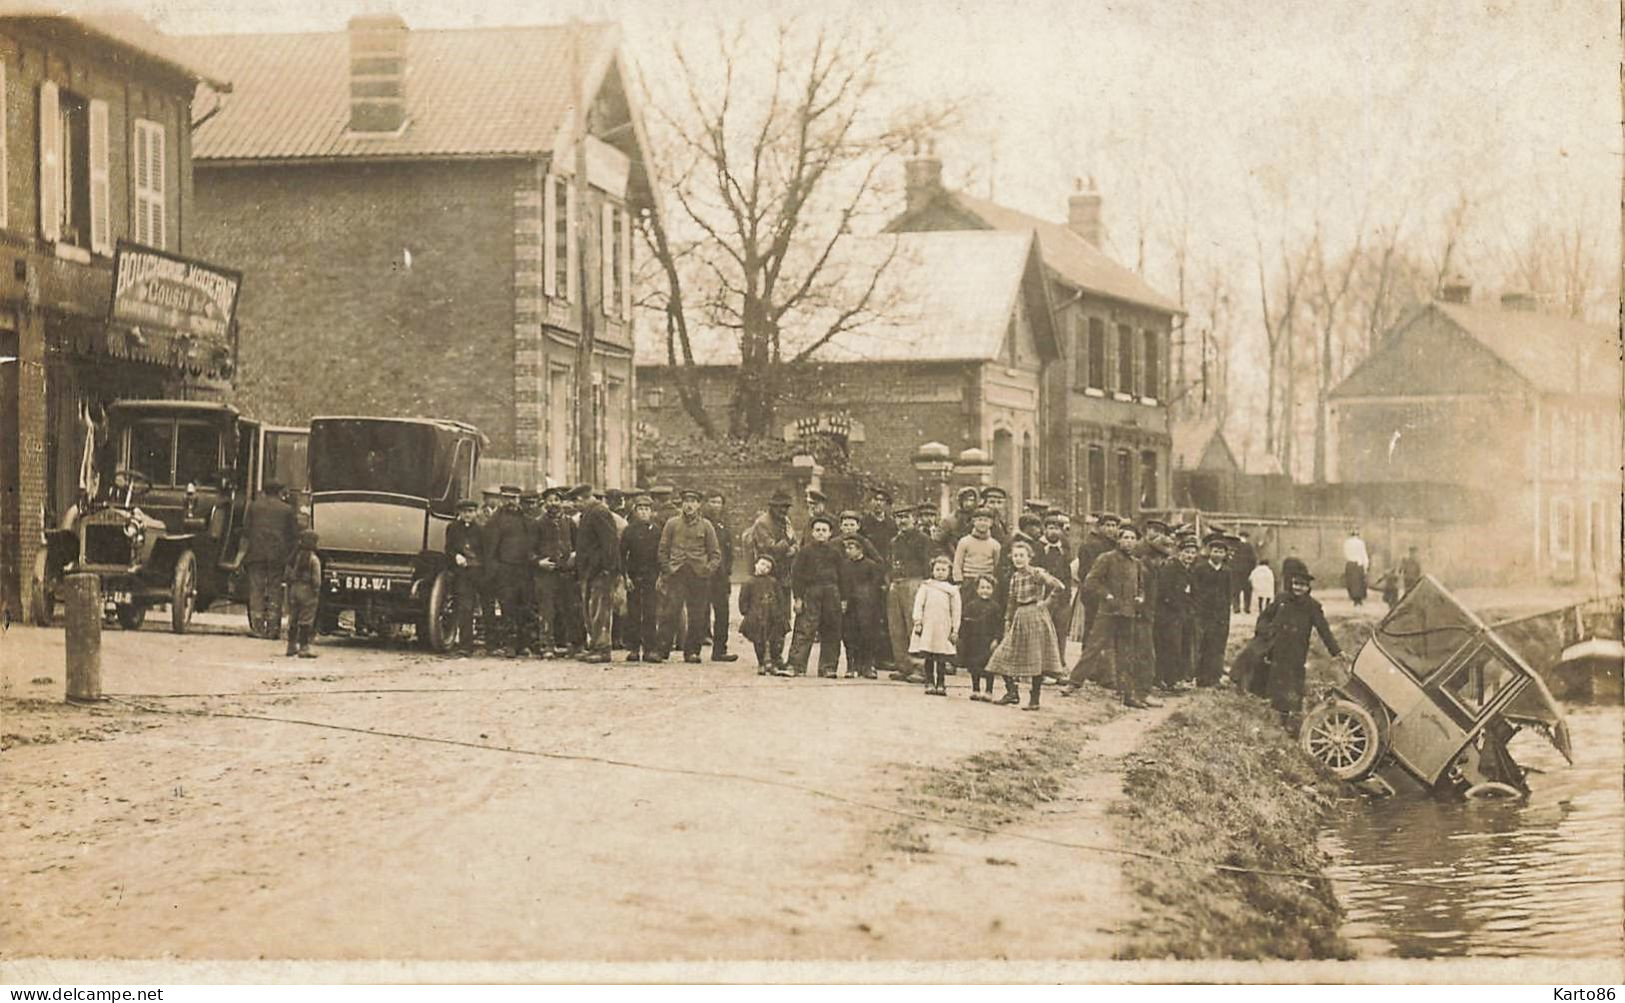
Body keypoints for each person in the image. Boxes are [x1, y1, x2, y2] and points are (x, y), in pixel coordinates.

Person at [1076, 524, 1158, 707]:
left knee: (1126, 654)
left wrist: (1140, 598)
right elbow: (1091, 581)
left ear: (1136, 542)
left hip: (1127, 613)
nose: (1128, 542)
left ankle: (1127, 694)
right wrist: (1107, 595)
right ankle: (1074, 683)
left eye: (1132, 538)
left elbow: (1141, 586)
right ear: (1119, 540)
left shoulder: (1136, 563)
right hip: (1108, 611)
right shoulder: (1106, 558)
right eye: (1125, 537)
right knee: (1094, 647)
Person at [1255, 565, 1346, 723]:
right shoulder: (1282, 599)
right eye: (1296, 584)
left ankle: (1291, 720)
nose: (1298, 588)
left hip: (1297, 652)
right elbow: (1264, 617)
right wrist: (1265, 632)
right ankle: (1274, 718)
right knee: (1275, 682)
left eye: (1303, 585)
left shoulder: (1313, 607)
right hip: (1278, 649)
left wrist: (1336, 651)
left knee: (1293, 685)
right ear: (1291, 584)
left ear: (1308, 587)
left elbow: (1324, 630)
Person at [984, 539, 1065, 710]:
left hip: (1035, 616)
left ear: (1029, 557)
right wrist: (1007, 621)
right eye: (1015, 556)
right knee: (999, 656)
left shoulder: (1036, 573)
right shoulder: (1015, 577)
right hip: (1019, 617)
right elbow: (1011, 602)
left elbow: (1058, 586)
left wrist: (1046, 603)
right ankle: (1012, 692)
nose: (1018, 559)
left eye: (1022, 555)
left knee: (1035, 658)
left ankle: (1034, 699)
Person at [658, 488, 722, 664]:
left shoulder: (706, 526)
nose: (689, 505)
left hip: (698, 575)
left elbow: (715, 554)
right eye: (686, 501)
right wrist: (667, 569)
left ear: (699, 505)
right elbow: (663, 550)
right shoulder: (672, 524)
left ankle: (692, 651)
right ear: (682, 504)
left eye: (693, 501)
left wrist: (707, 570)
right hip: (677, 573)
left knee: (698, 614)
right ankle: (661, 650)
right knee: (670, 611)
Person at [786, 513, 843, 678]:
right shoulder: (805, 552)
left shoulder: (836, 553)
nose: (820, 533)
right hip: (811, 593)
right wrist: (798, 598)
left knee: (831, 630)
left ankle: (828, 667)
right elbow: (796, 576)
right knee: (804, 629)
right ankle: (796, 666)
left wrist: (843, 599)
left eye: (824, 530)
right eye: (817, 530)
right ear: (812, 532)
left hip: (831, 594)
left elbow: (844, 576)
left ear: (830, 533)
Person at [1068, 512, 1121, 685]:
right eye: (1108, 525)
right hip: (1094, 594)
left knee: (1107, 633)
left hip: (1110, 595)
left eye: (1114, 525)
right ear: (1100, 527)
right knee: (1092, 631)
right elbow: (1086, 573)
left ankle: (1104, 671)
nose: (1111, 528)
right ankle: (1091, 671)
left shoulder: (1115, 545)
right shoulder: (1090, 545)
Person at [483, 485, 534, 658]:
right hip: (505, 569)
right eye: (507, 498)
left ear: (519, 499)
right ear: (502, 499)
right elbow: (490, 548)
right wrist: (495, 570)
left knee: (525, 606)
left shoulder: (526, 519)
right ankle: (510, 645)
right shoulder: (495, 520)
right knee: (508, 607)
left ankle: (524, 644)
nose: (510, 502)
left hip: (524, 570)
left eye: (514, 498)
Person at [243, 481, 298, 639]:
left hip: (256, 554)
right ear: (280, 492)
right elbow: (293, 536)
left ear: (264, 492)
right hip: (277, 556)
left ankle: (257, 628)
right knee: (275, 590)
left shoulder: (254, 507)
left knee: (256, 589)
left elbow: (246, 530)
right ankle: (273, 629)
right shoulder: (287, 510)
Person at [573, 484, 620, 664]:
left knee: (600, 610)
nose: (575, 506)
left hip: (600, 571)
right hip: (590, 571)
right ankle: (595, 646)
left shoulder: (599, 513)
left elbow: (610, 543)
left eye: (576, 501)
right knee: (591, 610)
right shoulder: (590, 513)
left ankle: (603, 649)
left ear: (582, 498)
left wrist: (608, 569)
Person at [886, 505, 934, 681]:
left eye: (906, 516)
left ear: (914, 519)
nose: (902, 521)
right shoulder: (894, 541)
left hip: (915, 582)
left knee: (914, 626)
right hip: (896, 584)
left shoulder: (923, 539)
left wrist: (925, 586)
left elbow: (927, 565)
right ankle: (903, 666)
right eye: (898, 517)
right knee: (896, 627)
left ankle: (919, 667)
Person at [532, 487, 576, 657]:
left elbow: (577, 544)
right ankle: (546, 645)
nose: (554, 504)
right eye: (550, 501)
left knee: (568, 608)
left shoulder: (569, 522)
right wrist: (539, 562)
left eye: (556, 500)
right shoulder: (538, 523)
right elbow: (529, 549)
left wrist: (574, 555)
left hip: (565, 571)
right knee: (546, 609)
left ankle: (567, 644)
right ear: (545, 503)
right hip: (546, 573)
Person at [1152, 534, 1199, 693]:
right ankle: (1166, 680)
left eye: (1193, 553)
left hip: (1182, 614)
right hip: (1168, 614)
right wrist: (1178, 606)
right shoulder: (1171, 568)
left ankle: (1174, 679)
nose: (1190, 556)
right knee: (1170, 646)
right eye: (1187, 552)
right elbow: (1165, 592)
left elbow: (1191, 593)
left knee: (1182, 646)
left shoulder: (1189, 570)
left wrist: (1190, 608)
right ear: (1180, 552)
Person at [837, 532, 885, 679]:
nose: (848, 551)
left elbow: (876, 585)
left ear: (860, 549)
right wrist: (843, 600)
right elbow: (842, 585)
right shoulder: (844, 566)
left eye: (851, 548)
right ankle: (851, 665)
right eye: (846, 548)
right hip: (850, 607)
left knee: (868, 635)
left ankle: (868, 665)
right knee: (850, 635)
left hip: (867, 606)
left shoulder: (870, 566)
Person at [910, 554, 960, 696]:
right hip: (928, 627)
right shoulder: (926, 586)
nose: (940, 573)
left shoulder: (952, 590)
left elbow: (956, 611)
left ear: (949, 572)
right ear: (932, 570)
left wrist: (955, 629)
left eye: (944, 570)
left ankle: (941, 683)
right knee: (929, 655)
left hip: (944, 628)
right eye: (937, 569)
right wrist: (918, 622)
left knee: (941, 657)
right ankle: (929, 681)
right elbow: (918, 605)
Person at [620, 494, 662, 662]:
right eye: (640, 509)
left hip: (652, 577)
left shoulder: (658, 531)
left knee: (651, 612)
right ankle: (634, 649)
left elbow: (662, 555)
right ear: (635, 511)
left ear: (652, 512)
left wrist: (661, 576)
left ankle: (650, 649)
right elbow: (622, 555)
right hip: (634, 576)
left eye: (647, 509)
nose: (644, 513)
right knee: (634, 613)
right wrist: (626, 577)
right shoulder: (629, 531)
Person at [1191, 532, 1232, 687]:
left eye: (1221, 552)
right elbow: (1195, 591)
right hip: (1203, 614)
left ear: (1225, 554)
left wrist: (1226, 614)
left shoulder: (1227, 572)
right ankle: (1201, 678)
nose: (1218, 554)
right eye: (1215, 551)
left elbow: (1228, 594)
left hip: (1220, 615)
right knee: (1203, 645)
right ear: (1209, 552)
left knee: (1217, 646)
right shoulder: (1200, 569)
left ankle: (1214, 678)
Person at [739, 554, 791, 676]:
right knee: (759, 641)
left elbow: (780, 598)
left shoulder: (773, 582)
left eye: (768, 567)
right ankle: (761, 662)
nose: (764, 568)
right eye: (762, 564)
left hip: (772, 615)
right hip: (756, 616)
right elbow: (743, 599)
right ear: (756, 564)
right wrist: (746, 612)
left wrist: (780, 612)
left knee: (775, 639)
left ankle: (774, 661)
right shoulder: (749, 582)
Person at [444, 498, 483, 657]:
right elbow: (448, 549)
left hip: (478, 572)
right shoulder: (453, 528)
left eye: (471, 512)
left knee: (482, 606)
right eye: (465, 512)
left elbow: (486, 551)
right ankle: (466, 645)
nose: (468, 515)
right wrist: (456, 557)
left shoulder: (481, 530)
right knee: (464, 607)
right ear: (459, 513)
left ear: (476, 513)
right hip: (462, 573)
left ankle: (489, 641)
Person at [703, 490, 739, 663]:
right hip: (704, 573)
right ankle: (694, 649)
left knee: (722, 611)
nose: (716, 505)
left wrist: (728, 570)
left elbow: (729, 548)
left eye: (718, 502)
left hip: (721, 575)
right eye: (712, 502)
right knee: (700, 611)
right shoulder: (701, 522)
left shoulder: (724, 524)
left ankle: (720, 650)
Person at [1035, 513, 1073, 668]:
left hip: (1061, 597)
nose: (1054, 532)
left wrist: (1067, 593)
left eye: (1057, 528)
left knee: (1060, 630)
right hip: (1044, 596)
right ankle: (1042, 665)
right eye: (1050, 528)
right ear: (1044, 529)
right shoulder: (1038, 547)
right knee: (1043, 630)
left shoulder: (1063, 548)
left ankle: (1059, 663)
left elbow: (1067, 573)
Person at [958, 574, 1002, 701]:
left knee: (989, 667)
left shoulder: (995, 607)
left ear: (993, 590)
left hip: (988, 641)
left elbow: (999, 626)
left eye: (988, 588)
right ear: (977, 589)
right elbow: (965, 623)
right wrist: (964, 639)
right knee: (974, 666)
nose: (985, 590)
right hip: (973, 641)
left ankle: (989, 691)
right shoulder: (971, 606)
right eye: (982, 587)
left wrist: (996, 639)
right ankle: (975, 689)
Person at [282, 529, 322, 659]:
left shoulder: (293, 557)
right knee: (306, 620)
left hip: (294, 589)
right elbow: (316, 580)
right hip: (307, 591)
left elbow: (286, 574)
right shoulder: (313, 559)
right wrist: (316, 591)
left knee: (293, 618)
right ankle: (304, 648)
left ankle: (291, 646)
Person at [952, 508, 1002, 586]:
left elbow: (997, 566)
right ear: (974, 521)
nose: (982, 523)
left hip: (987, 581)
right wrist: (959, 581)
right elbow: (957, 564)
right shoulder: (964, 541)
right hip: (968, 580)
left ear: (991, 523)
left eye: (986, 520)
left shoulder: (995, 545)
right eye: (979, 520)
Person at [1231, 530, 1260, 613]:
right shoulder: (1250, 547)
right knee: (1247, 591)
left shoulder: (1236, 546)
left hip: (1236, 572)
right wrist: (1251, 570)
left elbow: (1232, 560)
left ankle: (1236, 608)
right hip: (1247, 573)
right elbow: (1253, 560)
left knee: (1236, 591)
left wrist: (1233, 569)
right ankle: (1246, 608)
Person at [1343, 528, 1370, 607]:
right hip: (1358, 564)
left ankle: (1354, 598)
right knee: (1358, 582)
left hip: (1350, 563)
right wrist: (1366, 566)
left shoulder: (1346, 542)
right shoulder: (1360, 543)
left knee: (1351, 582)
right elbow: (1363, 554)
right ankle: (1359, 599)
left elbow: (1345, 554)